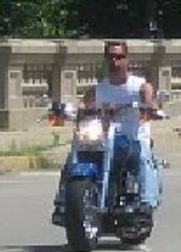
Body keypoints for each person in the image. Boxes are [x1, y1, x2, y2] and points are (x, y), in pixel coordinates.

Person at [52, 39, 163, 223]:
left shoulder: (140, 86)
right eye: (110, 57)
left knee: (143, 156)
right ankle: (63, 201)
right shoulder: (98, 90)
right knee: (74, 154)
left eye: (119, 57)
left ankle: (145, 203)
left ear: (127, 60)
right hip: (101, 138)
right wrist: (65, 110)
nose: (114, 61)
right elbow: (82, 106)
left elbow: (150, 100)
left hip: (132, 137)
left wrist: (151, 108)